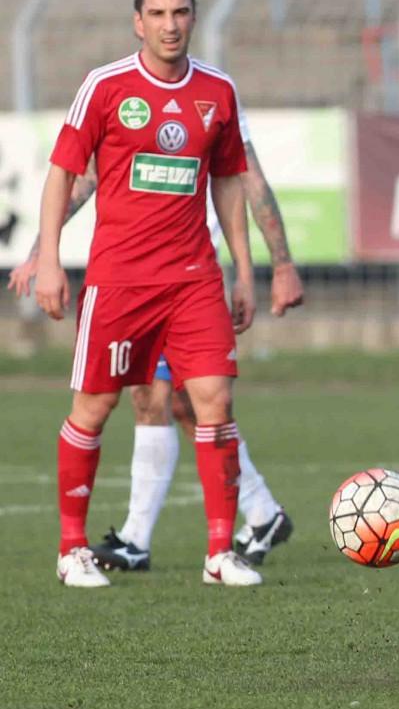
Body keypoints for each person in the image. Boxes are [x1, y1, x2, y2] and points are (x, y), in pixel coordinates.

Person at [34, 0, 263, 587]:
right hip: (120, 280)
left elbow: (228, 182)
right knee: (95, 406)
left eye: (180, 12)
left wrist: (244, 272)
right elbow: (62, 173)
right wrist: (49, 257)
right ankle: (72, 549)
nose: (170, 25)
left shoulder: (217, 90)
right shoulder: (105, 86)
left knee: (214, 400)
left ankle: (220, 553)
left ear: (194, 17)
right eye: (157, 14)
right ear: (138, 22)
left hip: (194, 280)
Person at [10, 120, 304, 570]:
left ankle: (152, 536)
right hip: (142, 275)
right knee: (161, 399)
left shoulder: (216, 95)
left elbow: (249, 179)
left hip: (190, 276)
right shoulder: (132, 98)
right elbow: (91, 175)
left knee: (190, 400)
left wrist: (281, 265)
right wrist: (40, 250)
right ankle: (256, 513)